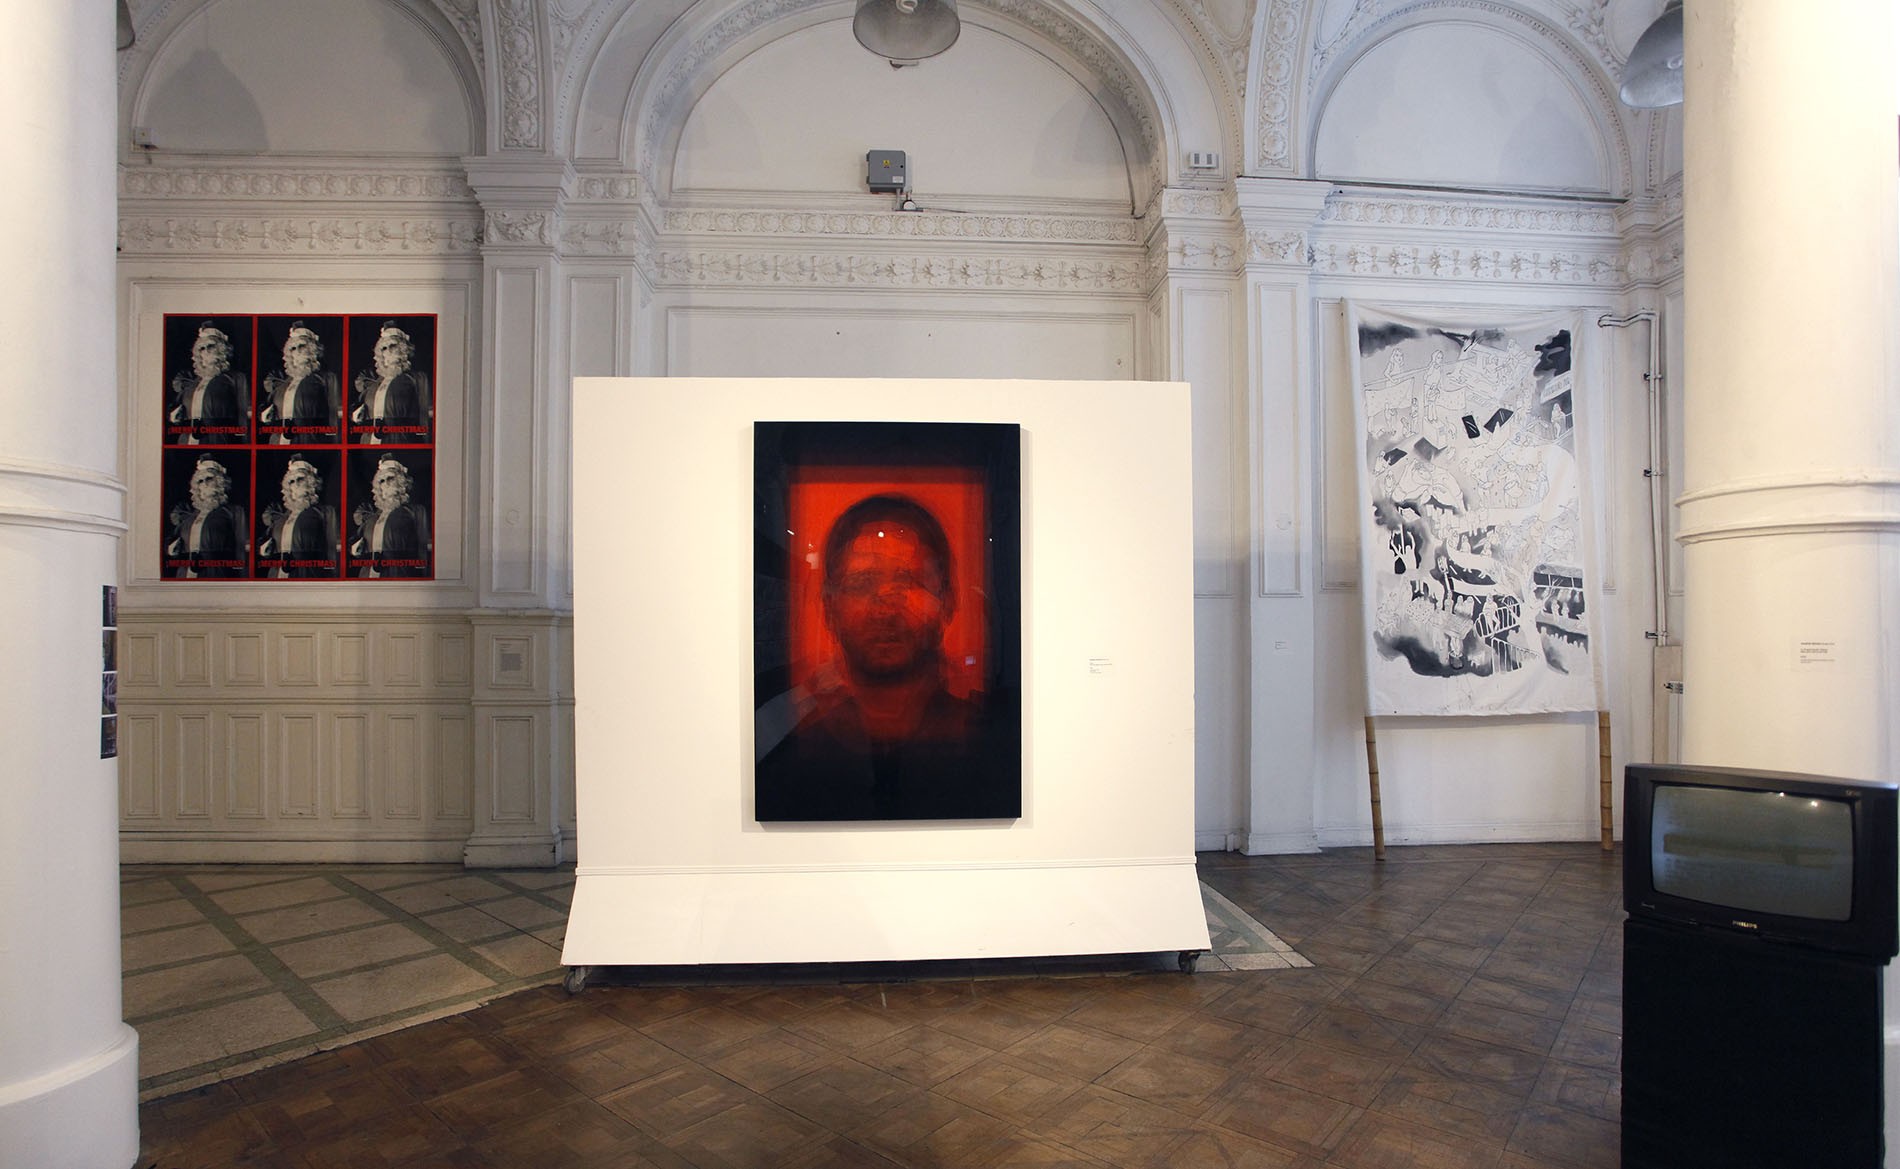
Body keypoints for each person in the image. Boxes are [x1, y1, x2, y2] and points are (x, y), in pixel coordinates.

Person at [755, 493, 1018, 821]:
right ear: (829, 608)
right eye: (862, 581)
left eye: (908, 580)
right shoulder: (782, 756)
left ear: (947, 602)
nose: (885, 604)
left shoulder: (998, 752)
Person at [167, 322, 248, 444]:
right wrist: (173, 416)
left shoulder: (235, 378)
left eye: (210, 346)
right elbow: (174, 409)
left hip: (218, 440)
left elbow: (244, 415)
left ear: (221, 349)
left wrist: (244, 443)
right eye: (201, 348)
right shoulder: (190, 382)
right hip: (187, 441)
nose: (205, 351)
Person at [165, 457, 246, 578]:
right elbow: (171, 541)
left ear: (220, 482)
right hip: (185, 573)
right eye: (200, 481)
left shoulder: (234, 512)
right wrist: (171, 549)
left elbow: (242, 549)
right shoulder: (187, 515)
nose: (204, 484)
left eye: (209, 478)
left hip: (216, 573)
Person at [350, 455, 430, 577]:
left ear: (401, 482)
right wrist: (355, 549)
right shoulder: (370, 516)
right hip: (368, 575)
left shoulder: (414, 512)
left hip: (398, 574)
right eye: (381, 481)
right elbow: (355, 541)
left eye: (390, 478)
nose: (386, 484)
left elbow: (422, 550)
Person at [258, 457, 338, 577]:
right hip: (277, 574)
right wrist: (264, 550)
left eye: (300, 479)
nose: (295, 484)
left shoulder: (324, 512)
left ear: (311, 482)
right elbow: (264, 542)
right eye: (291, 481)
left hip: (307, 574)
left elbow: (331, 550)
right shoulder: (280, 516)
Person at [351, 321, 430, 443]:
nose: (387, 351)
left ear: (403, 351)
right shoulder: (371, 381)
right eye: (383, 348)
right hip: (369, 441)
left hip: (399, 440)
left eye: (392, 346)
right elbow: (356, 406)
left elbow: (424, 417)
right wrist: (355, 415)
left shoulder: (415, 378)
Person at [260, 321, 339, 441]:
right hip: (279, 440)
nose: (296, 351)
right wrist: (264, 415)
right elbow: (265, 406)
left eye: (301, 346)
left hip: (309, 440)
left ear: (312, 350)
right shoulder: (280, 381)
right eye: (292, 348)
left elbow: (333, 417)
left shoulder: (326, 378)